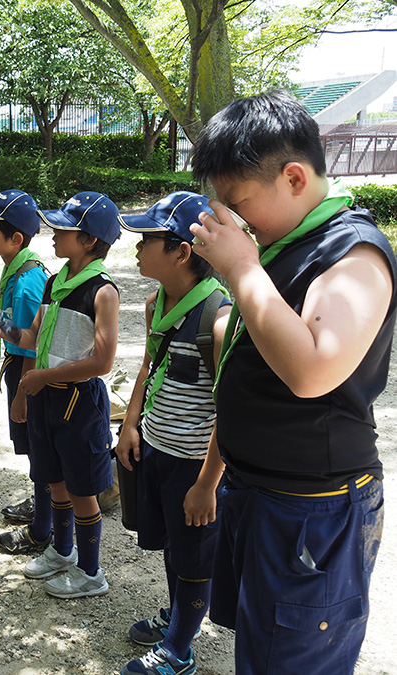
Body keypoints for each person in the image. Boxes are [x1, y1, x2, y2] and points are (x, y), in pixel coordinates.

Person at [189, 90, 395, 674]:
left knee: (295, 661)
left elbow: (312, 371)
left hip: (314, 506)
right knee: (264, 651)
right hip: (263, 492)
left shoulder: (352, 252)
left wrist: (241, 269)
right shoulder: (287, 243)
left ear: (295, 178)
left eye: (238, 202)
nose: (230, 219)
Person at [115, 192, 232, 675]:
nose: (137, 249)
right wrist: (130, 423)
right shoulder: (155, 304)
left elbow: (232, 410)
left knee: (194, 558)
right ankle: (178, 616)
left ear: (182, 252)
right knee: (170, 545)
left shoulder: (218, 319)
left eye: (147, 240)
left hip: (194, 465)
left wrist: (207, 483)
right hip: (157, 449)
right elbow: (147, 367)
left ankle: (179, 649)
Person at [0, 191, 120, 598]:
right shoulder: (55, 282)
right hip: (48, 397)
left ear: (88, 240)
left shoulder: (102, 292)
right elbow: (32, 336)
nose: (52, 233)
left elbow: (103, 362)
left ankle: (91, 571)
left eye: (63, 229)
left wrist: (44, 376)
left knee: (83, 489)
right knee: (56, 481)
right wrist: (2, 327)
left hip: (79, 402)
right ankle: (62, 552)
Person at [0, 189, 50, 553]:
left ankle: (43, 523)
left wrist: (22, 392)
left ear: (15, 238)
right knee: (32, 445)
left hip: (29, 372)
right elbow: (18, 325)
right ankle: (41, 502)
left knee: (38, 447)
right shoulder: (15, 268)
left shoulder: (30, 279)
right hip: (19, 367)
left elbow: (35, 342)